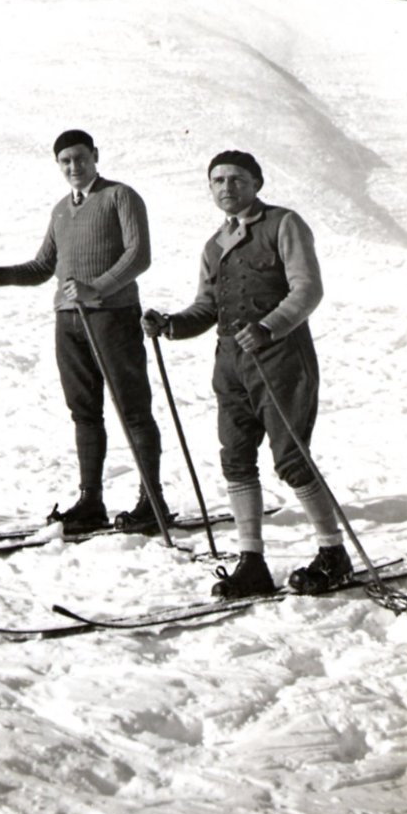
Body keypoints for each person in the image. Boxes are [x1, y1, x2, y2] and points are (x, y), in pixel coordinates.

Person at [143, 149, 353, 599]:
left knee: (291, 459)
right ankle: (252, 562)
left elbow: (308, 288)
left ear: (257, 183)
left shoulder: (284, 224)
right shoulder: (213, 245)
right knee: (236, 460)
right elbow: (206, 307)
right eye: (217, 180)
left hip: (281, 360)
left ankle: (334, 553)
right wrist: (172, 325)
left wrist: (268, 327)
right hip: (230, 365)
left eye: (237, 179)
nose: (226, 188)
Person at [0, 129, 168, 533]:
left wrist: (99, 287)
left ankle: (152, 501)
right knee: (84, 411)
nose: (74, 167)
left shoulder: (120, 197)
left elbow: (138, 255)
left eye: (80, 158)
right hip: (68, 321)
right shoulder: (61, 210)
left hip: (112, 315)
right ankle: (90, 500)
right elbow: (44, 267)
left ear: (95, 155)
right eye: (65, 161)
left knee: (132, 408)